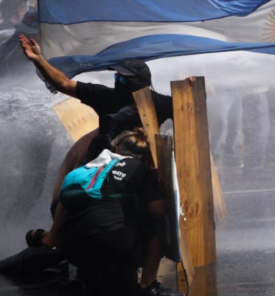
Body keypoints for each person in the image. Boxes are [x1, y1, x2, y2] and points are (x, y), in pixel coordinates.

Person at [18, 35, 176, 206]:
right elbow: (63, 83)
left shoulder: (159, 102)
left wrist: (192, 88)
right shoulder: (105, 95)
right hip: (104, 158)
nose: (118, 82)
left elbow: (188, 108)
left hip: (142, 160)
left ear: (138, 82)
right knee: (70, 193)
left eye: (122, 78)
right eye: (117, 77)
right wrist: (38, 59)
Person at [52, 127, 182, 296]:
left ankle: (88, 279)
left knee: (100, 225)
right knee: (158, 222)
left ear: (116, 149)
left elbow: (62, 200)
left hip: (70, 248)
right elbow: (158, 210)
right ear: (145, 156)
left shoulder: (88, 169)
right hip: (112, 242)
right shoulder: (139, 170)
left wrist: (53, 235)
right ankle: (147, 286)